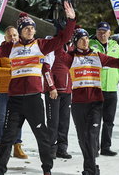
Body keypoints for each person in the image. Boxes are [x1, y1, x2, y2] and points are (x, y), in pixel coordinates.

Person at [0, 1, 76, 175]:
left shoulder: (41, 45)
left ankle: (47, 170)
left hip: (33, 99)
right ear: (20, 30)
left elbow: (63, 39)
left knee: (42, 136)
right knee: (7, 137)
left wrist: (71, 20)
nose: (30, 30)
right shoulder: (11, 46)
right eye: (26, 28)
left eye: (32, 28)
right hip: (14, 100)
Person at [56, 27, 119, 175]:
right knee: (83, 139)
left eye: (87, 39)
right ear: (75, 42)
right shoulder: (70, 57)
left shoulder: (98, 56)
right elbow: (57, 52)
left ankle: (89, 169)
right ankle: (92, 167)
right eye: (81, 39)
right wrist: (62, 34)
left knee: (91, 135)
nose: (85, 41)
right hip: (78, 104)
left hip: (96, 103)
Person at [89, 22, 119, 157]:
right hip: (95, 87)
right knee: (94, 121)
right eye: (99, 31)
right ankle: (93, 148)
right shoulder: (90, 44)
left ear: (109, 33)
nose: (102, 34)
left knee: (109, 120)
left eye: (104, 31)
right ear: (96, 32)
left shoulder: (115, 46)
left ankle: (106, 147)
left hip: (111, 88)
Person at [0, 26, 28, 159]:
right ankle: (2, 145)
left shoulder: (23, 50)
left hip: (19, 90)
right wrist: (11, 72)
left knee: (18, 119)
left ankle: (17, 146)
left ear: (19, 36)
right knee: (3, 118)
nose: (12, 38)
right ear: (5, 37)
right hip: (4, 90)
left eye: (15, 35)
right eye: (9, 35)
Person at [42, 32, 74, 160]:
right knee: (52, 121)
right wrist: (51, 87)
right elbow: (45, 67)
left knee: (64, 121)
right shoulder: (53, 45)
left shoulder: (72, 47)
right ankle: (51, 148)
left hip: (67, 90)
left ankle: (62, 148)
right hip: (53, 91)